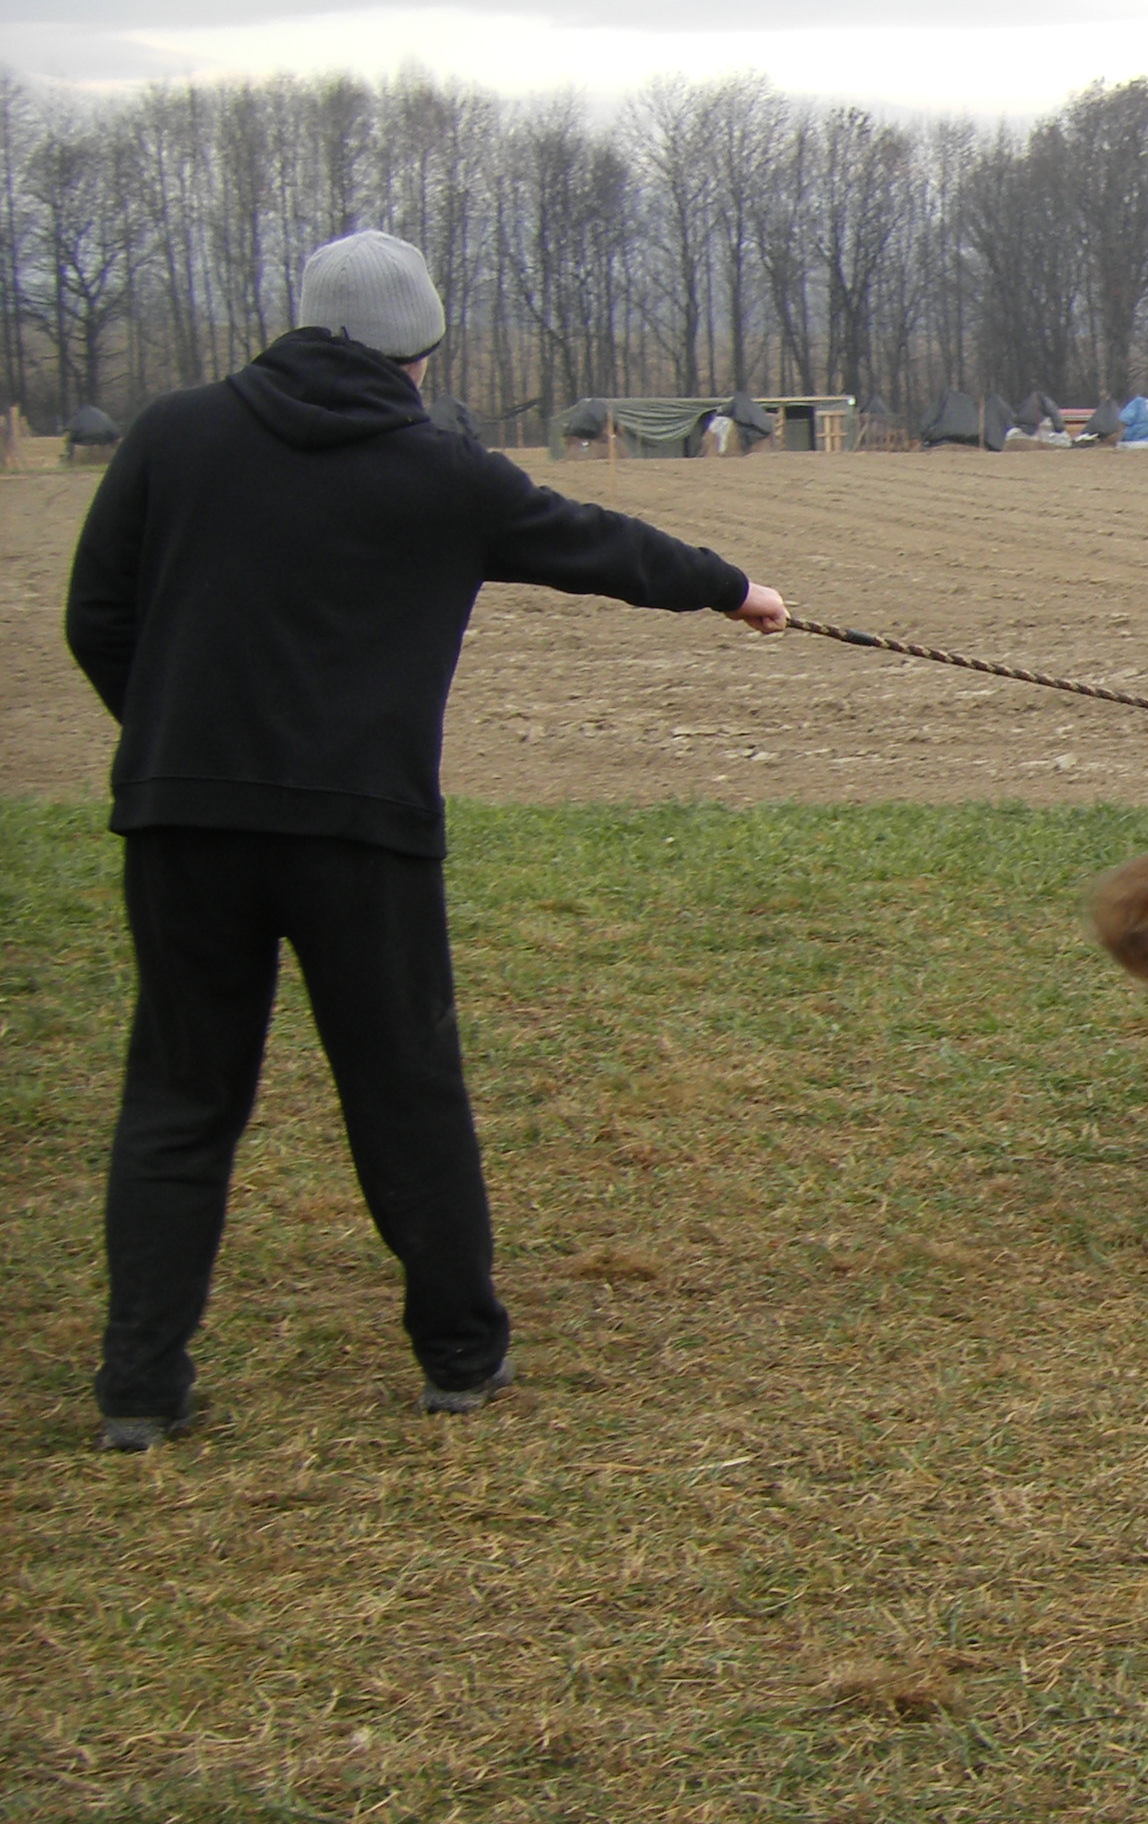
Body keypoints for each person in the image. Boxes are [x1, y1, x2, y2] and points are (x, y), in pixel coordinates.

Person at [63, 229, 788, 1452]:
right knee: (404, 1091)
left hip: (181, 822)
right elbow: (596, 543)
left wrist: (178, 741)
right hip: (363, 834)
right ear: (420, 353)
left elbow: (98, 614)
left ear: (296, 325)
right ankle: (460, 1356)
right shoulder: (440, 469)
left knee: (180, 1095)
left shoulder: (171, 433)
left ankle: (139, 1386)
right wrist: (731, 588)